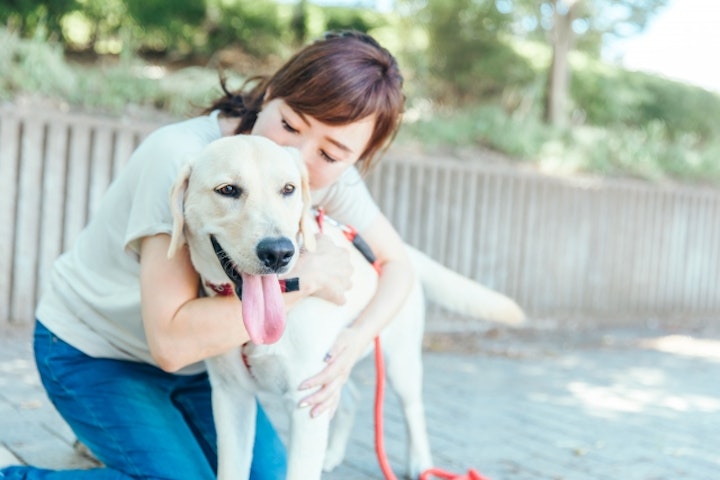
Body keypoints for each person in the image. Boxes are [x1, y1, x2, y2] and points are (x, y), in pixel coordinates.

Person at [0, 30, 413, 480]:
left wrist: (354, 344)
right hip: (96, 349)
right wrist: (304, 279)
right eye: (290, 125)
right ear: (270, 94)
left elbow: (399, 267)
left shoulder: (315, 176)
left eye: (332, 153)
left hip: (203, 366)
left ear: (353, 160)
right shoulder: (182, 158)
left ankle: (134, 439)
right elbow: (172, 345)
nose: (294, 153)